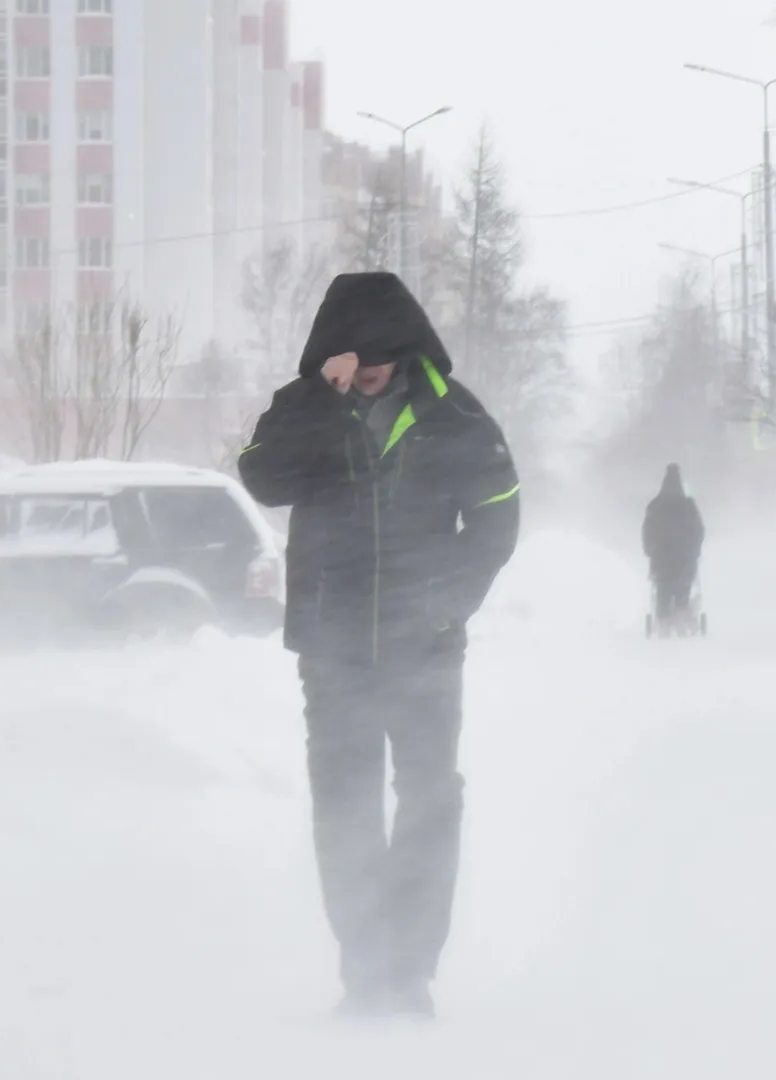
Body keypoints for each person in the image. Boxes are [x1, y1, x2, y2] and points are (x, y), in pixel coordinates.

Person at [237, 271, 521, 1020]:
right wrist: (314, 401)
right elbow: (263, 478)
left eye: (377, 355)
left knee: (429, 800)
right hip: (332, 651)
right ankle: (364, 972)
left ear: (405, 347)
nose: (364, 368)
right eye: (349, 354)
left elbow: (497, 520)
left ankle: (413, 969)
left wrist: (442, 605)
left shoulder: (456, 417)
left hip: (424, 651)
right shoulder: (305, 409)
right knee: (345, 807)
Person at [642, 463, 705, 621]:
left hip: (660, 556)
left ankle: (663, 617)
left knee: (662, 587)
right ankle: (681, 611)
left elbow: (647, 530)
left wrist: (649, 549)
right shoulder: (689, 506)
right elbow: (699, 530)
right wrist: (695, 549)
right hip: (685, 556)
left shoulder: (655, 506)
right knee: (683, 585)